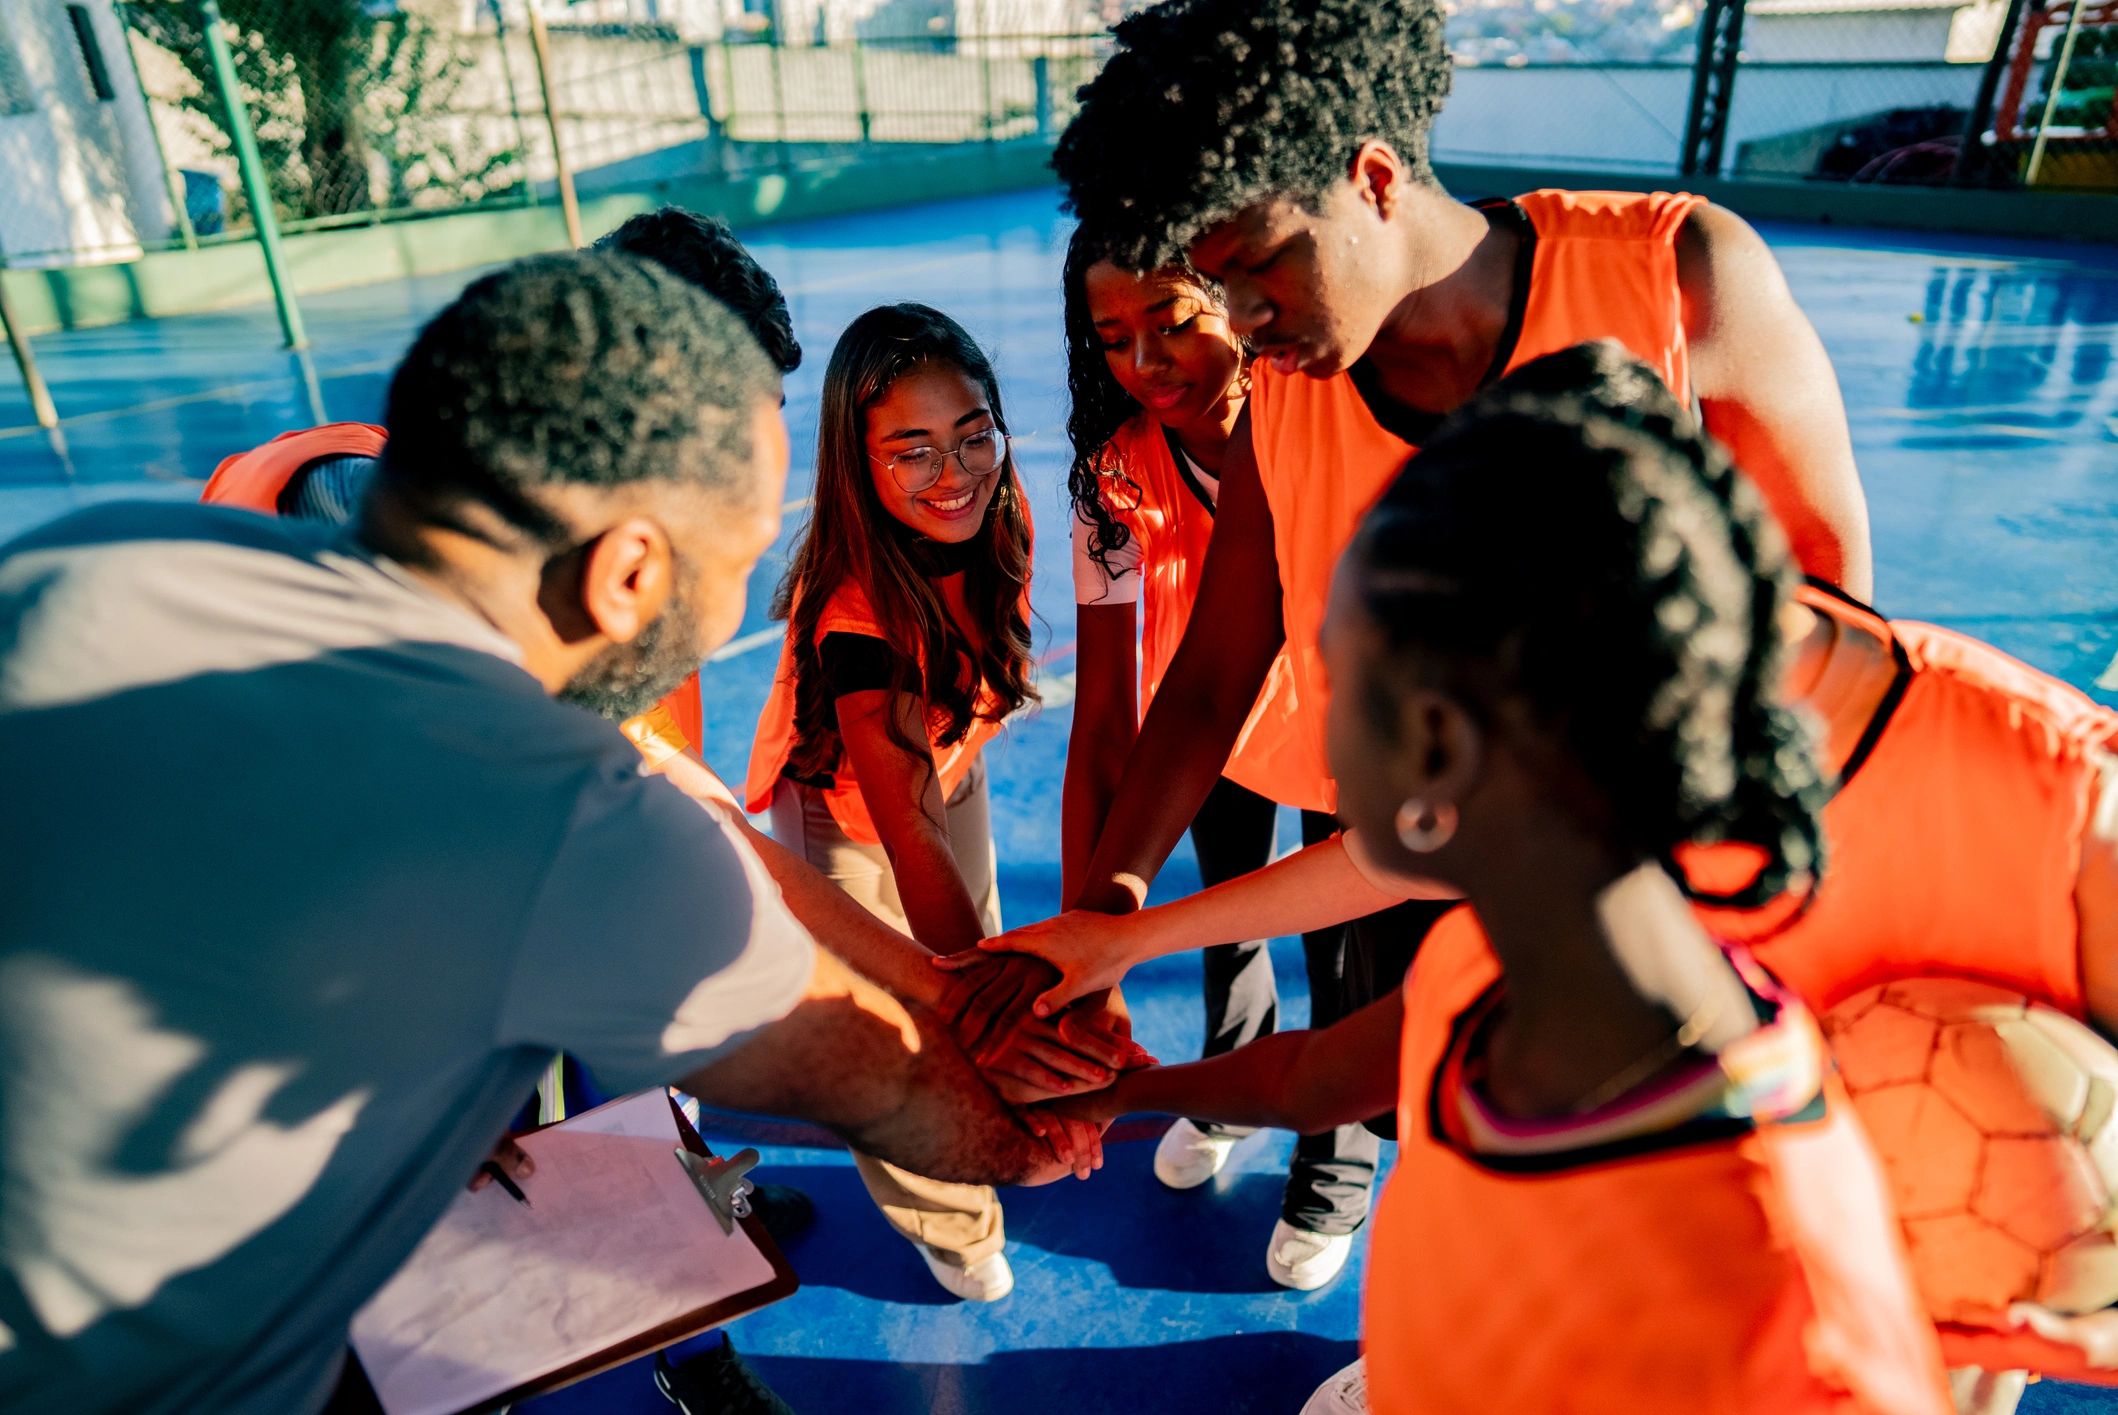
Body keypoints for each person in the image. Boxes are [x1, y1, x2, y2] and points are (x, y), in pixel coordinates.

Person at [0, 253, 1102, 1415]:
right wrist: (1034, 1138)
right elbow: (882, 1085)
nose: (732, 611)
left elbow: (715, 820)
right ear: (631, 572)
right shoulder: (571, 835)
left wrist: (933, 974)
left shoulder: (93, 563)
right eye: (732, 564)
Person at [975, 342, 2118, 1410]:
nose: (1314, 724)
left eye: (1340, 679)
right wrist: (1118, 1090)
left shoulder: (1778, 1285)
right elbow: (1317, 1076)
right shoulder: (1511, 953)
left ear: (1445, 752)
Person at [1020, 0, 1879, 1214]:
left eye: (1260, 264)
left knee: (1640, 1181)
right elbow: (1215, 671)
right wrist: (1109, 917)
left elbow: (1831, 600)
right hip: (1413, 859)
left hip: (1684, 867)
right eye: (1218, 287)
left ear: (1373, 176)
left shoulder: (1680, 275)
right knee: (1421, 1109)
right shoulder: (1285, 395)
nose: (1245, 323)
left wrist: (1695, 847)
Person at [742, 302, 1068, 1303]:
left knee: (976, 952)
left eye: (975, 433)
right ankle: (953, 1227)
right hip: (848, 814)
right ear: (858, 462)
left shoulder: (991, 514)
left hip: (943, 761)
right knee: (905, 1027)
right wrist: (992, 1021)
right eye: (913, 450)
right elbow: (902, 826)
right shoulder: (856, 621)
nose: (956, 471)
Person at [1059, 228, 1363, 1279]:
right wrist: (1082, 931)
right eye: (1111, 339)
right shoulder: (1112, 479)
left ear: (1235, 305)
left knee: (1343, 960)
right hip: (1216, 738)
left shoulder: (1324, 427)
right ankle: (1229, 1082)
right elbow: (1104, 712)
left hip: (1339, 737)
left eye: (1174, 323)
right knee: (1222, 925)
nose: (1145, 364)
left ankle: (1336, 1165)